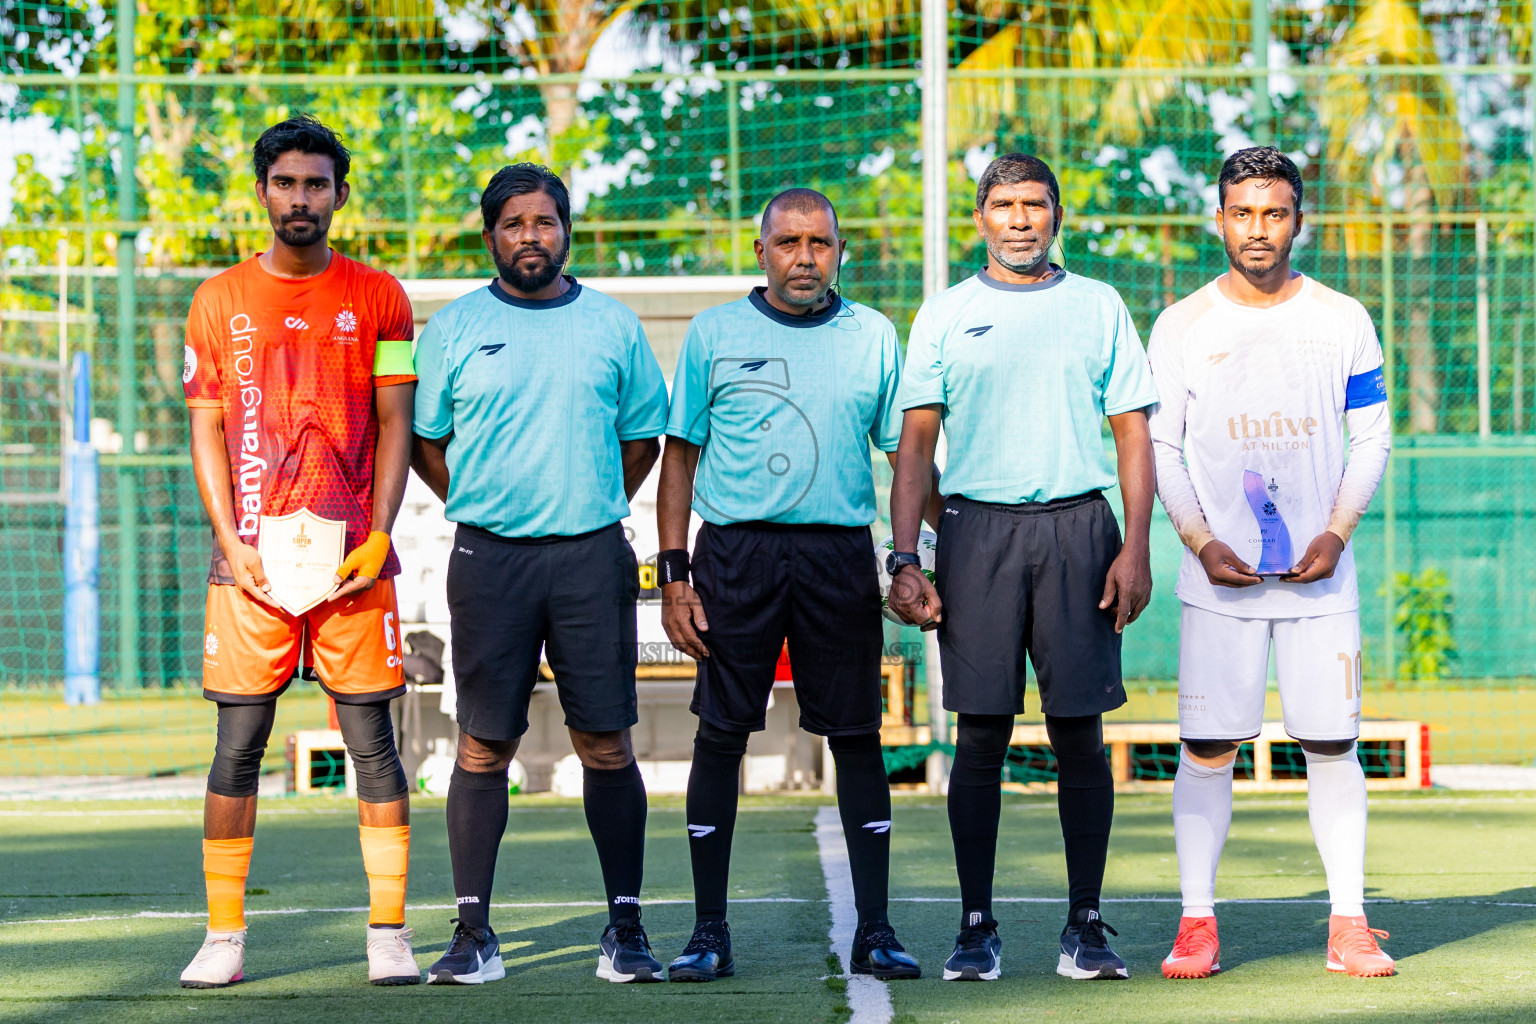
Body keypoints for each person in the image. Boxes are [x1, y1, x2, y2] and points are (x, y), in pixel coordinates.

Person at [657, 189, 943, 983]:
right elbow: (679, 455)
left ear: (841, 251)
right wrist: (672, 574)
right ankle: (708, 931)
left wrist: (910, 557)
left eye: (820, 242)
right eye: (788, 242)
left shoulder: (874, 336)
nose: (805, 257)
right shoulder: (715, 333)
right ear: (762, 253)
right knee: (720, 735)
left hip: (837, 557)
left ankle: (876, 930)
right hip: (735, 555)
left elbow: (905, 460)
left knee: (855, 736)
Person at [887, 153, 1158, 982]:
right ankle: (976, 925)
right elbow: (917, 446)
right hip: (976, 535)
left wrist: (1137, 546)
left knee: (1080, 733)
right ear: (981, 218)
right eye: (1002, 205)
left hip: (1082, 530)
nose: (1019, 219)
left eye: (1034, 204)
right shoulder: (944, 313)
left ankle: (1086, 923)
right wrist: (909, 556)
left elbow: (1134, 436)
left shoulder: (1099, 305)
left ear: (1056, 215)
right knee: (981, 734)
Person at [411, 163, 670, 986]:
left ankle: (624, 929)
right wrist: (486, 502)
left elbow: (644, 442)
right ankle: (472, 933)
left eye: (546, 222)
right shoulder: (451, 329)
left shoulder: (613, 326)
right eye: (515, 223)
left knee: (605, 741)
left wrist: (586, 504)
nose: (532, 235)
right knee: (484, 744)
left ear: (567, 231)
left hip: (592, 556)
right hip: (489, 559)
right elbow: (424, 441)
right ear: (490, 236)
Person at [179, 115, 420, 988]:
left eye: (316, 184)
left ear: (340, 196)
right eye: (286, 183)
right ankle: (224, 937)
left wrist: (384, 531)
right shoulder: (216, 300)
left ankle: (388, 934)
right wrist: (231, 540)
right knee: (236, 747)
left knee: (375, 746)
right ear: (262, 193)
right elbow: (205, 432)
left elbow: (397, 424)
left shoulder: (381, 295)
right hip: (248, 567)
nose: (301, 199)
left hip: (354, 564)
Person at [1148, 147, 1394, 980]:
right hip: (1218, 585)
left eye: (1275, 212)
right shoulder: (1182, 324)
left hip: (1323, 584)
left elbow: (1373, 437)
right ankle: (1196, 922)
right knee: (1209, 746)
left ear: (1299, 218)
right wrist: (1198, 539)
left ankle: (1350, 923)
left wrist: (1337, 528)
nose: (1259, 229)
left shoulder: (1343, 318)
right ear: (1218, 218)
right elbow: (1164, 447)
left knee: (1331, 744)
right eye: (1243, 213)